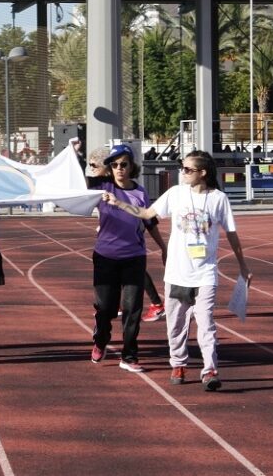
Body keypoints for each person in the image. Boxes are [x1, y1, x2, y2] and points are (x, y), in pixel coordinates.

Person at [102, 150, 253, 391]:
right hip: (176, 273)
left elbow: (231, 233)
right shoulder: (174, 194)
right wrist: (118, 203)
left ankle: (210, 370)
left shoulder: (218, 199)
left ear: (202, 173)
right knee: (176, 323)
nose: (182, 173)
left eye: (187, 170)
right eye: (182, 168)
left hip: (205, 273)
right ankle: (178, 363)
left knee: (206, 323)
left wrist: (243, 265)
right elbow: (147, 214)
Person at [86, 144, 167, 373]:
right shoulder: (102, 186)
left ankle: (129, 355)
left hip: (134, 257)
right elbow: (76, 183)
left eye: (124, 164)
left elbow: (150, 222)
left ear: (132, 166)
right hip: (105, 257)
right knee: (106, 308)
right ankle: (100, 339)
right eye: (114, 165)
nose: (119, 168)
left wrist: (163, 247)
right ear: (109, 168)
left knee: (133, 309)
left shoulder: (140, 193)